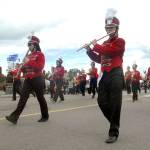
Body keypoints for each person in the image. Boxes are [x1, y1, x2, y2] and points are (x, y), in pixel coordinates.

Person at [84, 15, 125, 143]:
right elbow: (99, 59)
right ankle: (114, 122)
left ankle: (113, 131)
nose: (109, 30)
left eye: (111, 27)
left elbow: (110, 52)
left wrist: (96, 46)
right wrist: (89, 50)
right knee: (101, 102)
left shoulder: (120, 41)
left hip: (116, 73)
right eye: (107, 28)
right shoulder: (104, 43)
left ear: (117, 28)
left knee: (115, 102)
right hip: (105, 74)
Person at [5, 35, 49, 124]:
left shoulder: (40, 54)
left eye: (30, 44)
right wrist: (22, 67)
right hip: (28, 79)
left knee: (40, 98)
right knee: (23, 98)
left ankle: (45, 116)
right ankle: (14, 117)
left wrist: (29, 61)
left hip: (37, 78)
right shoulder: (28, 55)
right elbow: (25, 68)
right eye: (28, 44)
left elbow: (40, 67)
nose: (28, 46)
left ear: (35, 45)